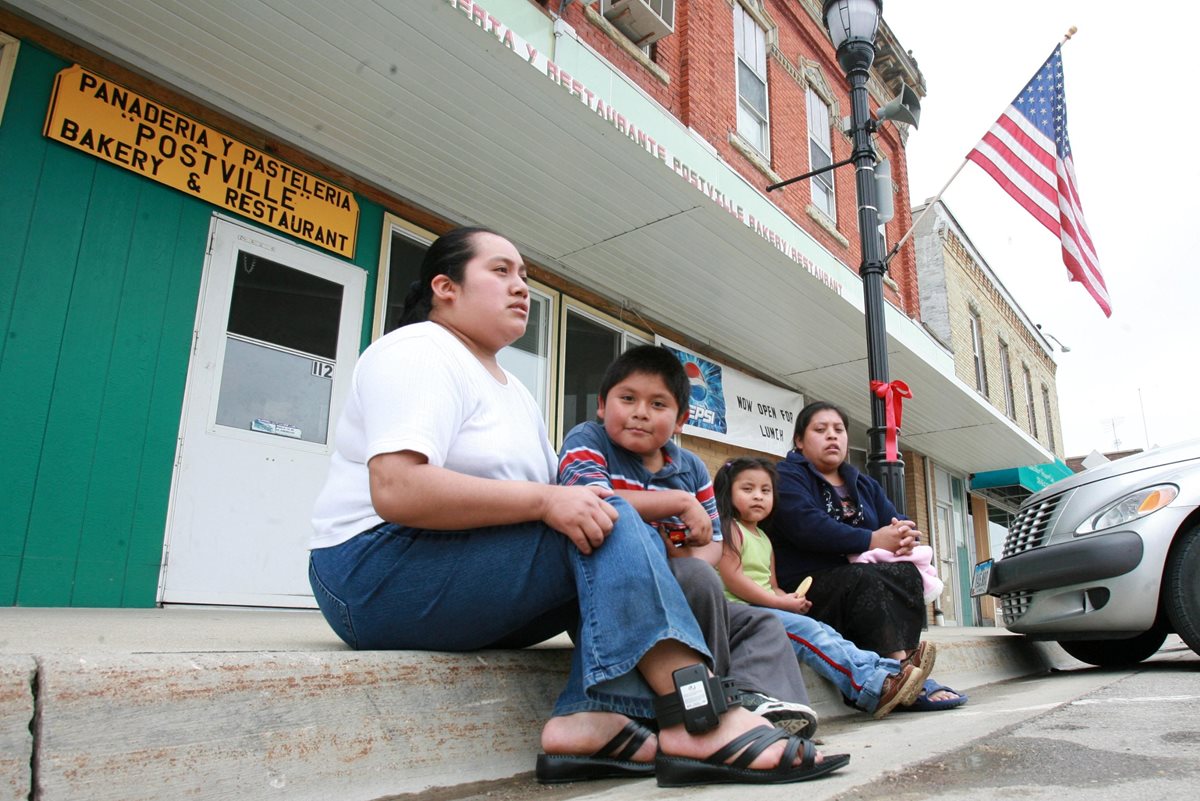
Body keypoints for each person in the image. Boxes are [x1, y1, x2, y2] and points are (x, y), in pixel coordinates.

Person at [308, 227, 849, 788]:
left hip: (459, 573)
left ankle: (589, 719)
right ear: (445, 286)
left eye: (523, 274)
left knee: (677, 568)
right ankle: (699, 718)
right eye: (500, 271)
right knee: (607, 514)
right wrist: (551, 500)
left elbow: (559, 515)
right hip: (370, 575)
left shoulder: (511, 389)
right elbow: (397, 490)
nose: (521, 286)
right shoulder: (420, 350)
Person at [557, 345, 821, 737]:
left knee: (758, 620)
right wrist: (679, 503)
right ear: (601, 405)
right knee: (697, 579)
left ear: (681, 419)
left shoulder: (691, 467)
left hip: (689, 593)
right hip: (616, 600)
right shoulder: (588, 439)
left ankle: (757, 698)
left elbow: (714, 542)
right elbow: (591, 500)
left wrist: (691, 554)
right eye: (627, 398)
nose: (640, 412)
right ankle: (709, 706)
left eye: (658, 404)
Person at [768, 401, 967, 711]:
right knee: (864, 577)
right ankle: (895, 674)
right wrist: (872, 539)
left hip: (859, 578)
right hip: (808, 585)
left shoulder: (862, 482)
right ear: (799, 441)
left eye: (839, 430)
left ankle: (909, 668)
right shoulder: (786, 476)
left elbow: (893, 519)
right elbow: (805, 525)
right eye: (820, 430)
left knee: (904, 572)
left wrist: (904, 537)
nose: (832, 437)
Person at [713, 457, 930, 719]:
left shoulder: (763, 538)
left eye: (765, 490)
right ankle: (870, 686)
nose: (758, 497)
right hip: (744, 614)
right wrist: (780, 604)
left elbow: (771, 585)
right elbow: (735, 580)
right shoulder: (729, 530)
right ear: (728, 492)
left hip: (766, 609)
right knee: (812, 635)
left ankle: (890, 671)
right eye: (747, 490)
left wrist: (790, 599)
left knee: (823, 630)